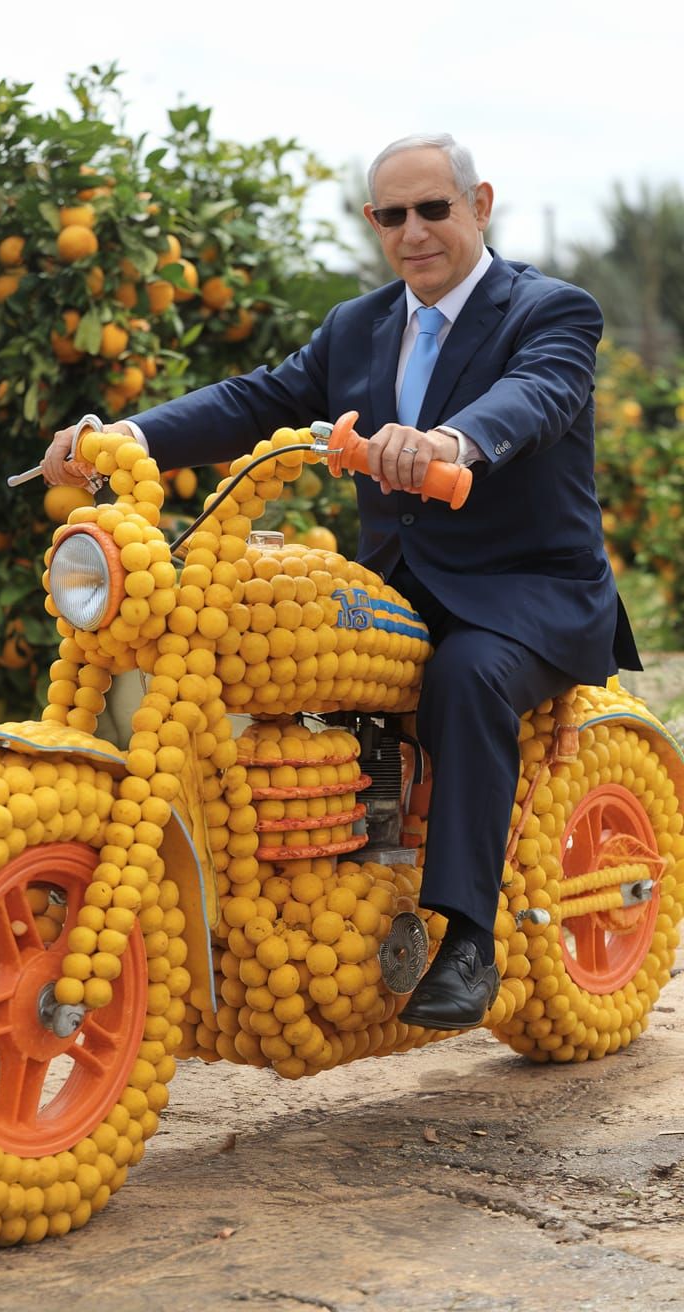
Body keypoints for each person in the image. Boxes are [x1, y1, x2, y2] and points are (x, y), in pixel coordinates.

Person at [43, 132, 642, 1031]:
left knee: (468, 675)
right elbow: (258, 399)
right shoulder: (358, 325)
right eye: (392, 214)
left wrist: (448, 442)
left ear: (479, 206)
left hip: (527, 594)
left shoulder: (551, 310)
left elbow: (538, 395)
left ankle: (468, 936)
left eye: (434, 209)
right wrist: (132, 435)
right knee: (262, 656)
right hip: (397, 587)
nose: (414, 231)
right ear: (374, 223)